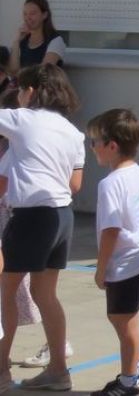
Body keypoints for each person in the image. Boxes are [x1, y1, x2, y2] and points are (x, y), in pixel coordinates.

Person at [0, 65, 84, 392]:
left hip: (32, 215)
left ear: (32, 91)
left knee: (5, 292)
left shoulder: (23, 119)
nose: (18, 95)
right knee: (45, 294)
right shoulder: (72, 132)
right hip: (62, 215)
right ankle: (59, 371)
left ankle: (2, 373)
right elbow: (75, 183)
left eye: (21, 89)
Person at [87, 109, 139, 396]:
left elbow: (111, 230)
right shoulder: (138, 172)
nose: (92, 147)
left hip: (127, 263)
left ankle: (130, 382)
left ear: (112, 146)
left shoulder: (110, 184)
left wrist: (101, 268)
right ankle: (138, 367)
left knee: (123, 321)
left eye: (94, 142)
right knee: (124, 318)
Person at [0, 78, 42, 366]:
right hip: (18, 221)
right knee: (22, 291)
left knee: (18, 291)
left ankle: (56, 342)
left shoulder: (16, 152)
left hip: (13, 222)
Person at [6, 0, 65, 75]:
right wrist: (16, 41)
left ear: (44, 15)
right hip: (23, 86)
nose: (28, 18)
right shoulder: (23, 41)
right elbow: (13, 71)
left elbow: (43, 71)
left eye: (32, 13)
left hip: (45, 87)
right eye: (25, 14)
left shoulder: (56, 41)